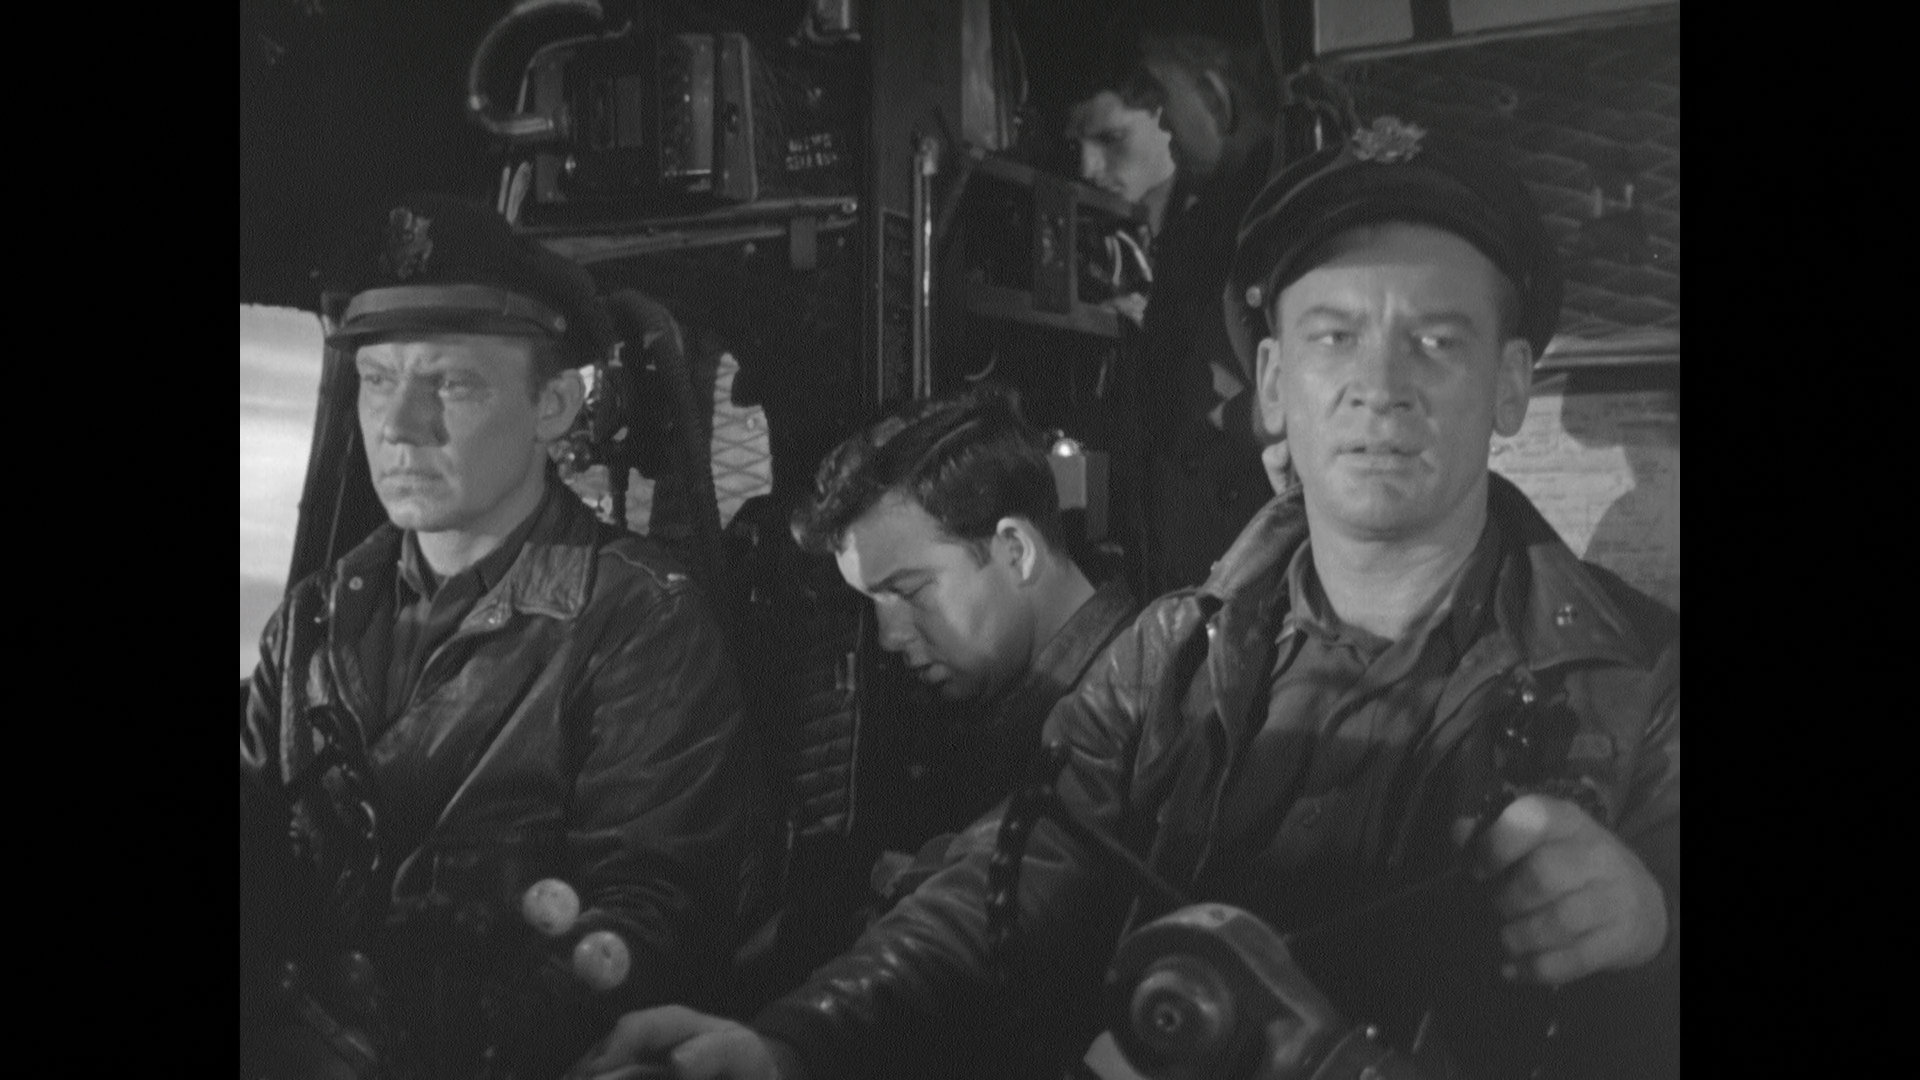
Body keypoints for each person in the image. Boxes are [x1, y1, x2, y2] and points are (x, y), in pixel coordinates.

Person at [571, 117, 1679, 1080]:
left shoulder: (1649, 689)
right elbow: (1011, 891)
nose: (1379, 387)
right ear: (1277, 388)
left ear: (1510, 385)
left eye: (1437, 341)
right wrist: (790, 1045)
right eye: (1334, 336)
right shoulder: (1164, 660)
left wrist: (1654, 925)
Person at [239, 194, 766, 1079]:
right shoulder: (312, 619)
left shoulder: (640, 622)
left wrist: (418, 1043)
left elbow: (651, 919)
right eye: (377, 381)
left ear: (551, 405)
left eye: (450, 384)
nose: (398, 427)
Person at [745, 385, 1139, 1002]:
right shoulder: (1018, 718)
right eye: (874, 603)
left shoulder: (1137, 730)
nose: (889, 636)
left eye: (911, 592)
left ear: (1016, 551)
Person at [1065, 27, 1283, 599]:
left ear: (1215, 96)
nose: (1164, 122)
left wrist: (1219, 417)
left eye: (1165, 97)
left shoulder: (1255, 225)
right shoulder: (1211, 224)